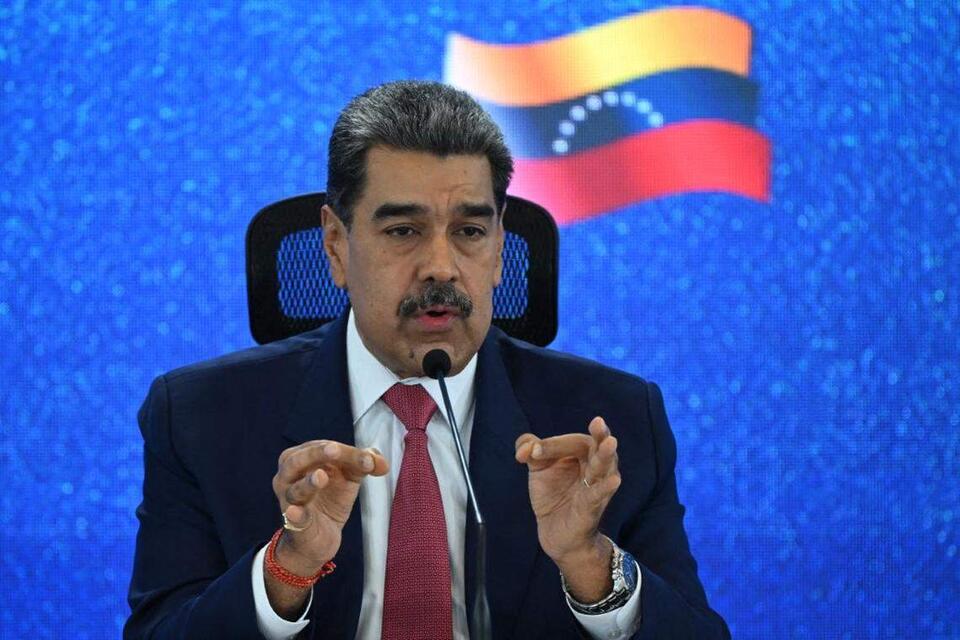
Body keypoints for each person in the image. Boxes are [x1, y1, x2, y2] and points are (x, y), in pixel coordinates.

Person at [125, 80, 730, 639]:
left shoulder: (612, 423)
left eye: (469, 231)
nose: (441, 267)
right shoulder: (200, 418)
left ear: (500, 249)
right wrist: (286, 570)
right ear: (335, 245)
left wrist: (589, 564)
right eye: (403, 231)